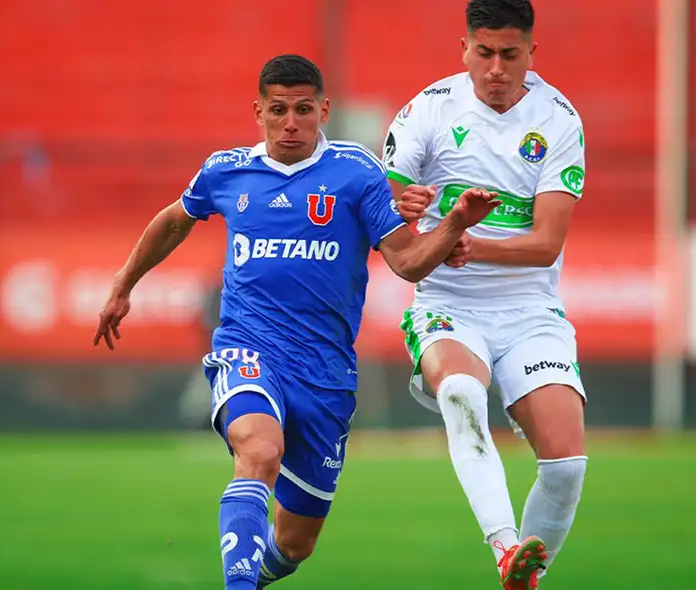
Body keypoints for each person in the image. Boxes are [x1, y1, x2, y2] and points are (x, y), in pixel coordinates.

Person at [93, 54, 499, 590]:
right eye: (278, 110)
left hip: (325, 373)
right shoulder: (226, 170)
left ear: (323, 110)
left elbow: (406, 261)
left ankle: (256, 576)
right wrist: (123, 285)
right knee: (259, 451)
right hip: (248, 348)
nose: (290, 123)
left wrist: (454, 224)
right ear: (258, 111)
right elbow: (174, 220)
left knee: (293, 545)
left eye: (303, 110)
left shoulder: (357, 173)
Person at [383, 1, 588, 588]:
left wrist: (464, 238)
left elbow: (546, 242)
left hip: (530, 313)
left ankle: (525, 577)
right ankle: (504, 546)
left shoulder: (557, 119)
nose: (496, 68)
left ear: (531, 53)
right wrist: (404, 207)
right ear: (465, 49)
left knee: (567, 467)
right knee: (463, 396)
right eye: (484, 52)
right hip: (448, 305)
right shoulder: (428, 110)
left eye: (510, 54)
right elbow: (387, 213)